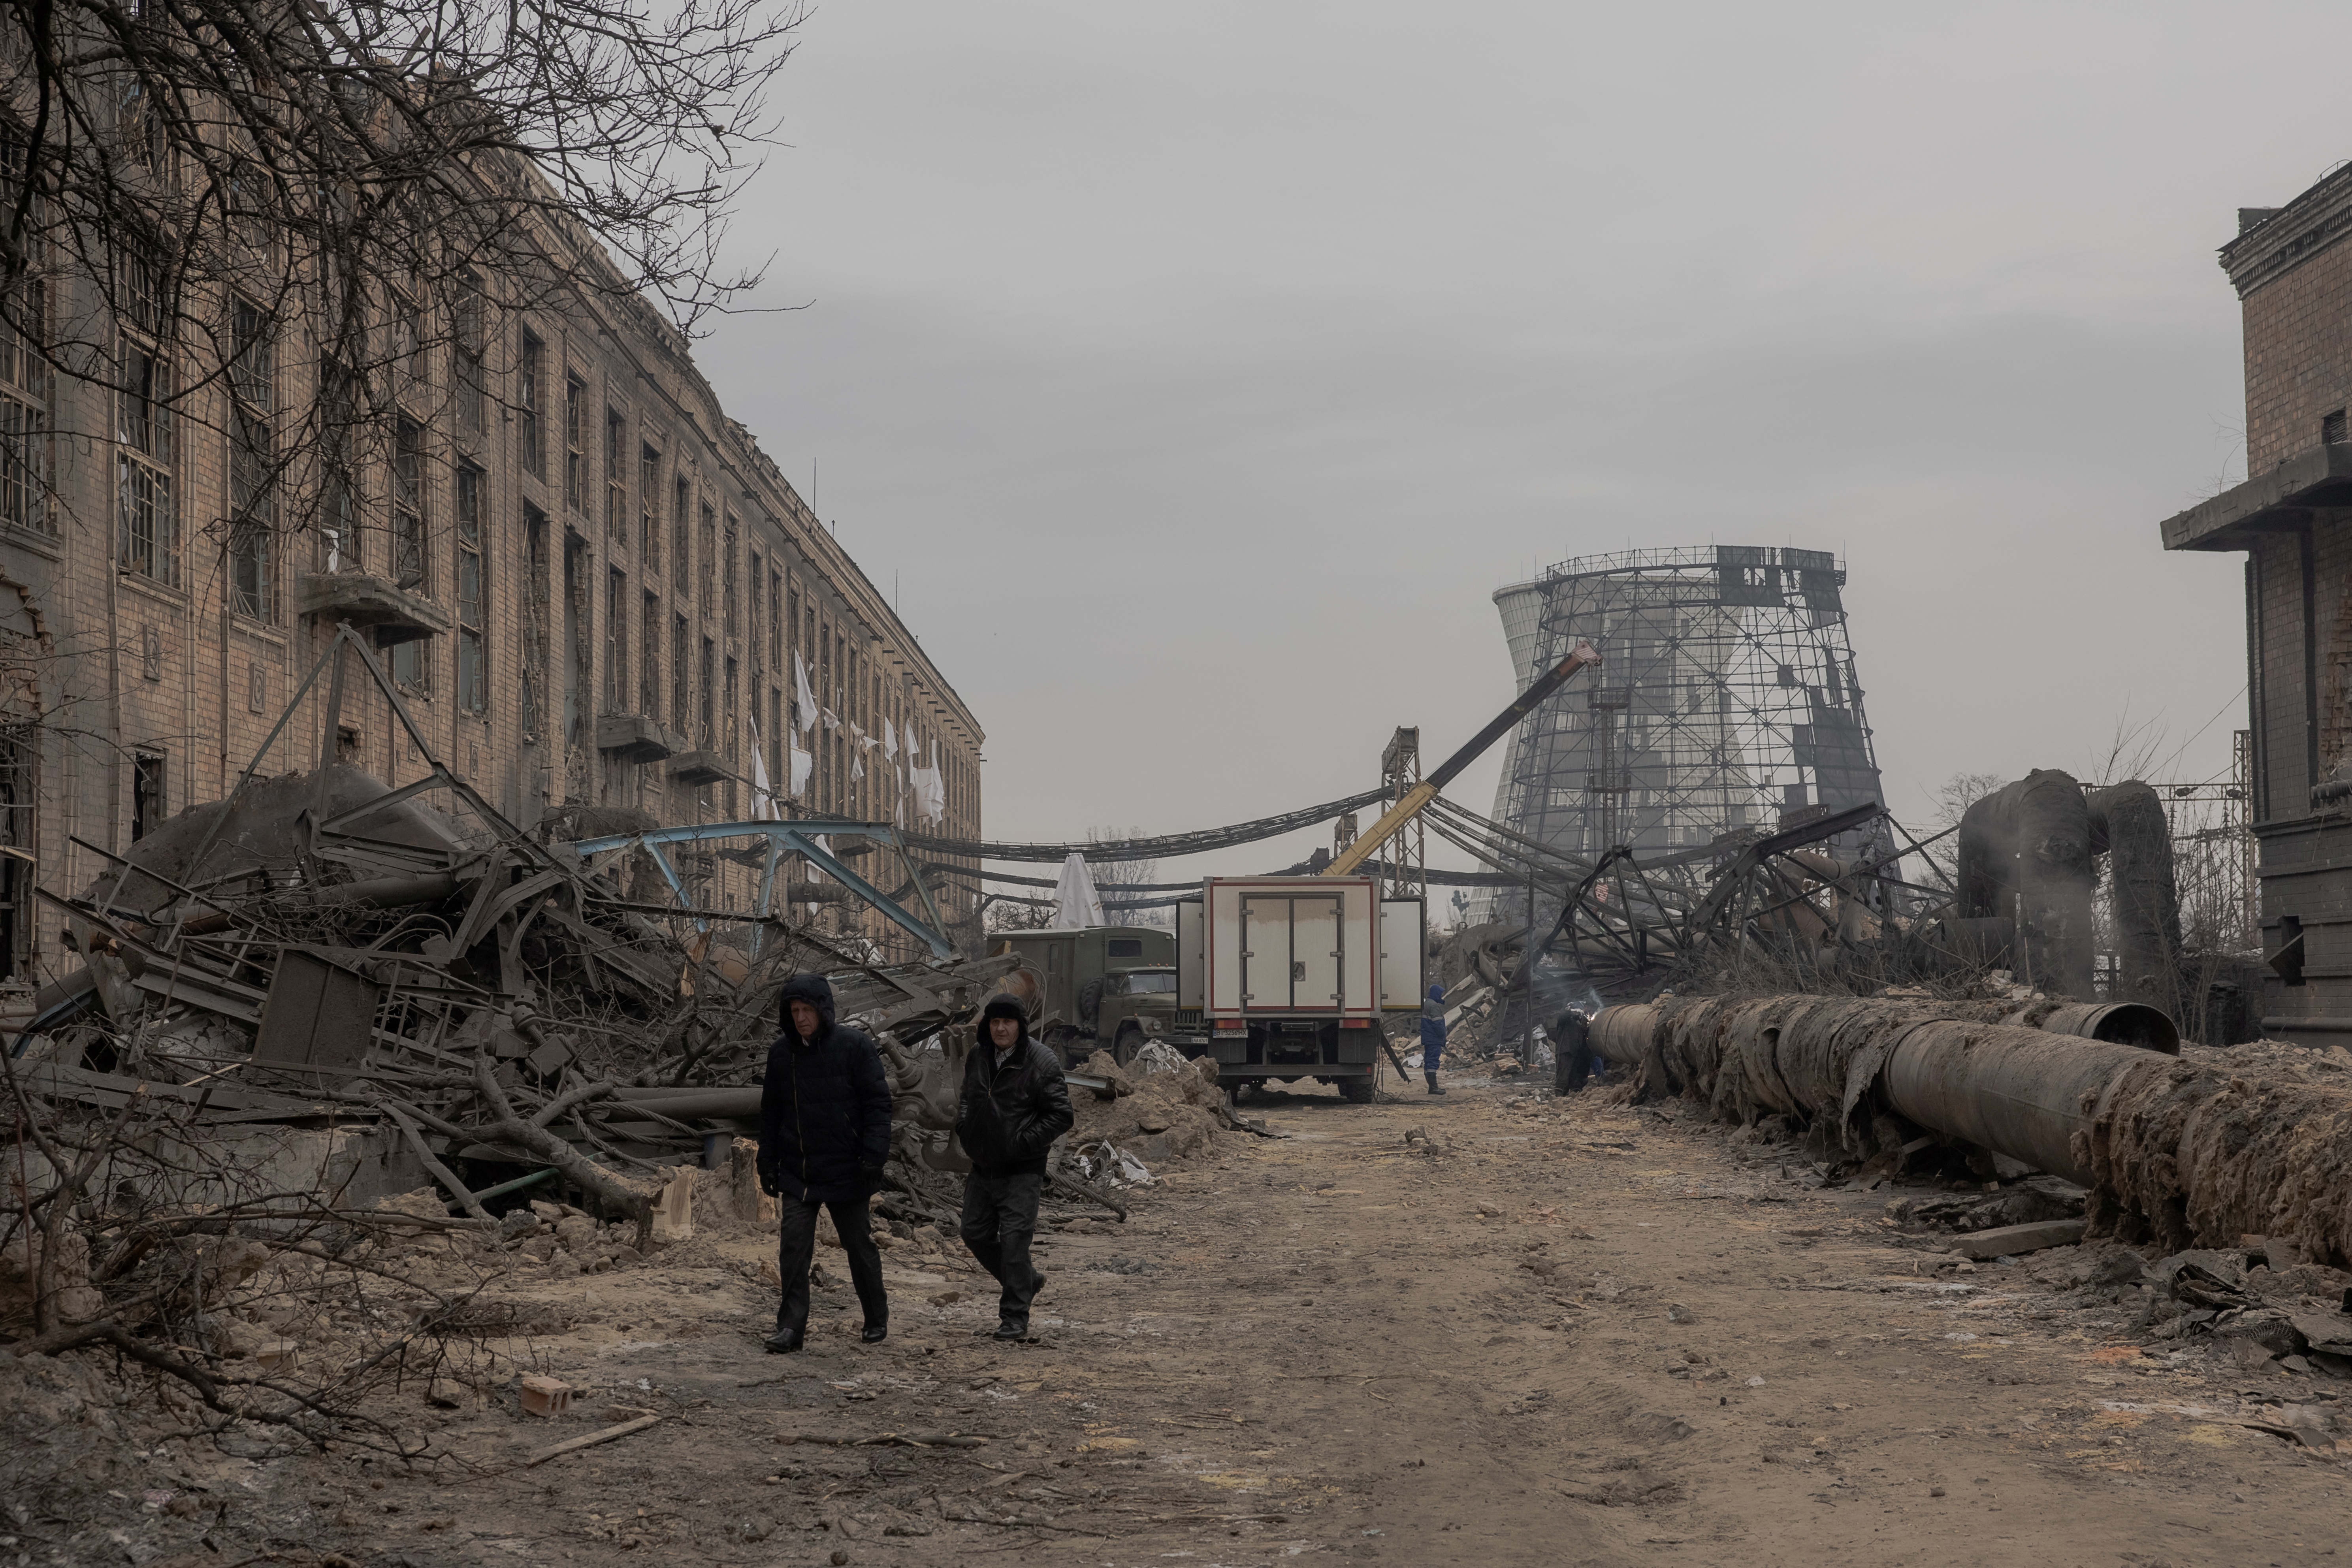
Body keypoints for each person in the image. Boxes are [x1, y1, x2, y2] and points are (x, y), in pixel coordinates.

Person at [757, 973, 893, 1353]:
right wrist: (766, 1161)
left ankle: (875, 1317)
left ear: (823, 1010)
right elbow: (770, 1113)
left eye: (807, 1010)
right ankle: (790, 1328)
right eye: (794, 1011)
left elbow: (878, 1105)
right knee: (793, 1249)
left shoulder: (854, 1046)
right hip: (798, 1170)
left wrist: (874, 1155)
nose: (801, 1018)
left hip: (847, 1168)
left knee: (858, 1246)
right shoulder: (781, 1054)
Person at [956, 994, 1075, 1341]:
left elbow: (1061, 1115)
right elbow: (967, 1097)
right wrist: (964, 1127)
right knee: (973, 1233)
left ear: (1020, 1026)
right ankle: (1026, 1280)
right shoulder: (978, 1055)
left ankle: (1014, 1317)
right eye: (995, 1021)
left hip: (1022, 1169)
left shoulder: (1041, 1061)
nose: (1000, 1028)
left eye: (1007, 1022)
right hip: (983, 1164)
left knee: (1014, 1242)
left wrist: (1022, 1143)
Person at [1421, 982, 1448, 1095]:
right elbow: (1438, 1024)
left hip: (1428, 1037)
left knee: (1428, 1062)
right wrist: (1443, 1036)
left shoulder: (1427, 1004)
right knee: (1433, 1062)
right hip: (1434, 1038)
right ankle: (1434, 1088)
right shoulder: (1434, 1006)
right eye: (1440, 994)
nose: (1441, 996)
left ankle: (1432, 1087)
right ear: (1436, 994)